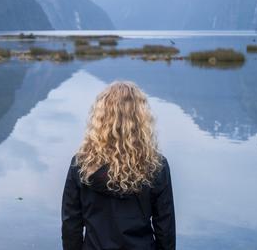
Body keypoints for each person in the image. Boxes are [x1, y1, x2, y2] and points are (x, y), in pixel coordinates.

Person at [61, 81, 176, 250]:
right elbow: (165, 228)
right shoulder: (156, 166)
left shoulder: (82, 164)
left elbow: (71, 225)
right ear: (141, 118)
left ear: (100, 118)